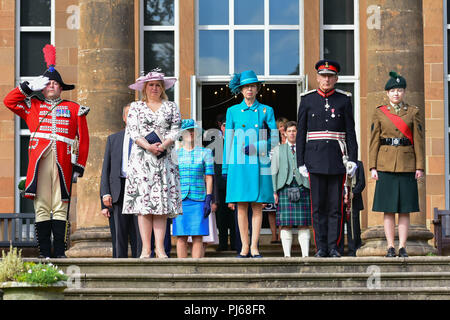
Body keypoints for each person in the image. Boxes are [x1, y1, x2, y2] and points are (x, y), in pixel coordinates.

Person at [3, 44, 89, 258]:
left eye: (55, 83)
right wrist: (27, 86)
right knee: (41, 205)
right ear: (42, 87)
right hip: (40, 160)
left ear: (61, 87)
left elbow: (84, 139)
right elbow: (8, 101)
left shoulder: (74, 108)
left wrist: (80, 165)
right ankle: (44, 252)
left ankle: (59, 251)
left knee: (61, 205)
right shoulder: (32, 105)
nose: (51, 85)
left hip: (63, 160)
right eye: (48, 83)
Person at [296, 59, 358, 258]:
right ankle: (321, 246)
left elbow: (350, 132)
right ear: (317, 78)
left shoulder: (344, 100)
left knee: (335, 207)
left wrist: (353, 160)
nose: (326, 79)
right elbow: (301, 133)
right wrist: (300, 162)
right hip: (314, 160)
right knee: (318, 207)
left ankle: (334, 246)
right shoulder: (307, 100)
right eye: (323, 76)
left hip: (337, 160)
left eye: (330, 76)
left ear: (336, 79)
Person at [122, 69, 182, 259]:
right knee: (144, 205)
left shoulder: (171, 106)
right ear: (145, 88)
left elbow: (175, 129)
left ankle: (161, 249)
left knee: (161, 206)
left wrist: (162, 146)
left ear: (163, 87)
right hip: (142, 161)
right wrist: (149, 147)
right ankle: (146, 249)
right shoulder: (136, 107)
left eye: (158, 85)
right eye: (151, 85)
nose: (154, 88)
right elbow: (133, 131)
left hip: (164, 159)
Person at [223, 70, 278, 258]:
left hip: (259, 161)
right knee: (241, 206)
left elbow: (276, 137)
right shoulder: (232, 111)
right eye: (246, 87)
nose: (249, 90)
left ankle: (254, 246)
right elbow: (228, 141)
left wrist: (258, 145)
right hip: (239, 163)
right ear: (241, 89)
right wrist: (225, 167)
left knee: (257, 205)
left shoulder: (266, 110)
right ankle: (244, 245)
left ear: (257, 89)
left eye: (253, 86)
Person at [369, 71, 424, 258]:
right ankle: (390, 246)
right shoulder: (379, 112)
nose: (396, 94)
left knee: (405, 209)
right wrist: (373, 167)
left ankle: (402, 246)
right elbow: (374, 140)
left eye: (399, 90)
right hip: (385, 165)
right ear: (387, 93)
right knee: (388, 209)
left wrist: (419, 166)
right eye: (393, 90)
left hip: (407, 165)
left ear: (404, 92)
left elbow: (419, 140)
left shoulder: (413, 112)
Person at [100, 103, 142, 258]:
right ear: (124, 118)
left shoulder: (145, 138)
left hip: (139, 188)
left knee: (139, 231)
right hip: (119, 189)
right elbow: (106, 169)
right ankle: (119, 264)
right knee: (119, 233)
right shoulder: (113, 139)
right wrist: (104, 194)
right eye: (129, 114)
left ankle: (141, 266)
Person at [172, 119, 214, 258]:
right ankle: (181, 272)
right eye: (187, 131)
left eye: (192, 130)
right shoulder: (175, 154)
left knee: (198, 236)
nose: (190, 133)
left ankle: (196, 271)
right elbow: (172, 178)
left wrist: (209, 198)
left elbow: (209, 177)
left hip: (199, 199)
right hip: (180, 200)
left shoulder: (206, 152)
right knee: (181, 236)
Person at [271, 121, 311, 257]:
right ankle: (287, 256)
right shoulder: (278, 150)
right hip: (284, 187)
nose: (292, 133)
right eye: (289, 131)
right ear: (285, 133)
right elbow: (274, 171)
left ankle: (305, 255)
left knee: (304, 224)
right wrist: (274, 191)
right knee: (285, 224)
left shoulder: (306, 148)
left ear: (298, 132)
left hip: (303, 186)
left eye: (294, 131)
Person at [212, 114, 236, 252]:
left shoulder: (237, 142)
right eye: (224, 125)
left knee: (235, 216)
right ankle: (222, 244)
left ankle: (235, 243)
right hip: (221, 185)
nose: (226, 128)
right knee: (221, 217)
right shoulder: (215, 143)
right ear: (220, 127)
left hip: (235, 184)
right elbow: (214, 166)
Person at [338, 160, 365, 256]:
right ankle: (338, 250)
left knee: (354, 226)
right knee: (338, 226)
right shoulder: (337, 162)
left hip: (354, 200)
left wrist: (353, 193)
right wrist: (343, 195)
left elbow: (362, 182)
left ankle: (353, 251)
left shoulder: (358, 164)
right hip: (339, 201)